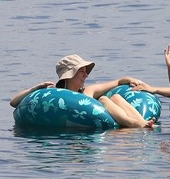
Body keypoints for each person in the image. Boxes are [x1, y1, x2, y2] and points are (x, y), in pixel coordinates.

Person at [10, 54, 156, 128]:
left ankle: (141, 122)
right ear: (69, 74)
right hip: (83, 136)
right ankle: (136, 124)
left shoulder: (87, 91)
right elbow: (13, 102)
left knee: (116, 97)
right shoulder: (52, 94)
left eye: (86, 71)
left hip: (109, 126)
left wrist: (128, 79)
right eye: (82, 71)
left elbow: (118, 82)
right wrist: (35, 88)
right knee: (104, 100)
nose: (86, 75)